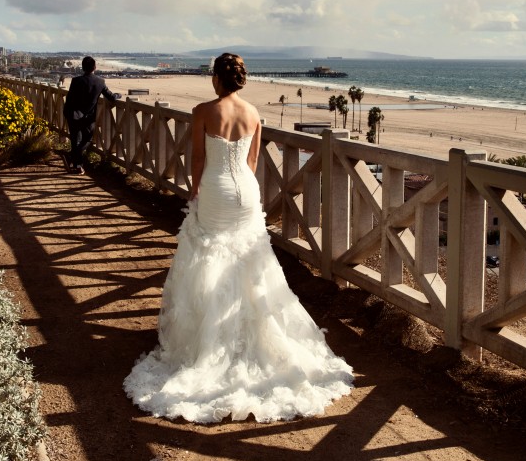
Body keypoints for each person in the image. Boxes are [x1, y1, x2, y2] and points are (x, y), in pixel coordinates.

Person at [123, 52, 353, 423]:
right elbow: (252, 163)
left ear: (217, 78)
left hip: (215, 189)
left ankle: (209, 341)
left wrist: (194, 193)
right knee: (249, 259)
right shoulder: (254, 113)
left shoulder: (203, 111)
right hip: (246, 190)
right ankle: (258, 335)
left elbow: (198, 160)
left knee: (209, 255)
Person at [63, 56, 120, 174]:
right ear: (95, 67)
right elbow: (111, 97)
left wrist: (67, 113)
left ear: (83, 68)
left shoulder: (76, 81)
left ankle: (75, 161)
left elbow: (69, 99)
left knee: (75, 140)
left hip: (73, 115)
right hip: (88, 118)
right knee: (87, 139)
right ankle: (76, 163)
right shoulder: (100, 82)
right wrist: (118, 95)